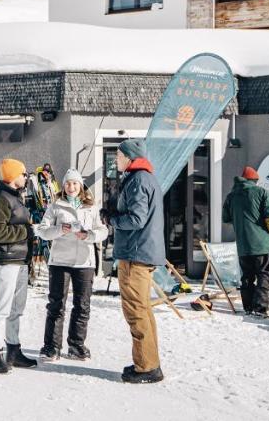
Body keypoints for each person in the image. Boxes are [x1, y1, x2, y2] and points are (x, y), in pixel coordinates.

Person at [33, 168, 107, 362]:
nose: (71, 187)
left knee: (82, 306)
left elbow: (103, 230)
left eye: (74, 183)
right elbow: (42, 230)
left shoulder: (91, 207)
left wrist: (89, 235)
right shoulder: (55, 206)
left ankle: (76, 345)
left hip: (84, 261)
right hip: (60, 261)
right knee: (56, 305)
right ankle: (51, 347)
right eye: (68, 184)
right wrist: (60, 230)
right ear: (63, 186)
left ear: (80, 186)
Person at [108, 138, 165, 385]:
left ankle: (146, 367)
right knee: (143, 309)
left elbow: (136, 219)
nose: (116, 160)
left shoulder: (138, 180)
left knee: (135, 310)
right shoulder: (146, 178)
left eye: (119, 156)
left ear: (130, 158)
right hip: (142, 251)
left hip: (135, 253)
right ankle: (148, 361)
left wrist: (112, 219)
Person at [0, 158, 37, 374]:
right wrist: (26, 232)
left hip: (20, 260)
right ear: (13, 176)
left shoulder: (16, 197)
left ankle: (13, 351)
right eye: (23, 174)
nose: (26, 177)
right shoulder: (0, 199)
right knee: (2, 308)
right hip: (6, 260)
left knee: (17, 309)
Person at [223, 166, 269, 317]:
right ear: (254, 180)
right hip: (261, 244)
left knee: (247, 277)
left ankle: (248, 307)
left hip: (243, 245)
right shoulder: (261, 192)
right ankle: (260, 308)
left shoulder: (231, 196)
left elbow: (225, 218)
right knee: (263, 275)